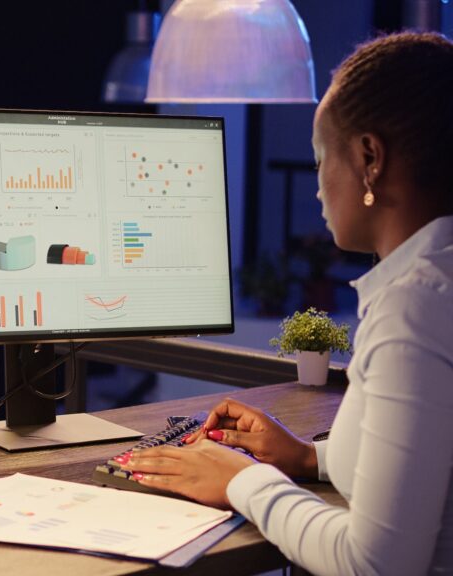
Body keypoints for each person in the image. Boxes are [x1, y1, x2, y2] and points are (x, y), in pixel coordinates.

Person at [122, 32, 453, 575]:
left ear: (370, 157)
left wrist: (241, 480)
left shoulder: (416, 308)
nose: (318, 188)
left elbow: (374, 565)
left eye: (321, 158)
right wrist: (305, 457)